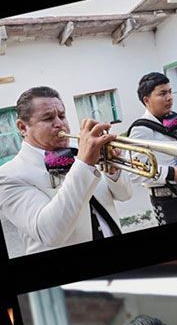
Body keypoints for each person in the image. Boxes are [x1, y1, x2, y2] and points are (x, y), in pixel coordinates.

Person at [0, 86, 132, 256]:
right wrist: (84, 164)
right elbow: (51, 233)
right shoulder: (8, 176)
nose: (60, 123)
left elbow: (125, 195)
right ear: (23, 127)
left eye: (62, 116)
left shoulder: (80, 151)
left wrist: (113, 170)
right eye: (48, 118)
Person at [127, 72, 177, 225]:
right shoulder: (141, 129)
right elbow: (135, 174)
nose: (169, 97)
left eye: (170, 91)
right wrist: (172, 173)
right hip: (166, 202)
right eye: (162, 93)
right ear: (147, 100)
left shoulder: (175, 119)